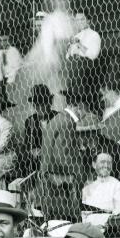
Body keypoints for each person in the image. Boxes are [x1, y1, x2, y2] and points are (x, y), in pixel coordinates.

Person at [34, 90, 93, 225]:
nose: (84, 115)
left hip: (52, 182)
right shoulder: (67, 122)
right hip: (61, 187)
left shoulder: (56, 120)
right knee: (65, 224)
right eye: (85, 110)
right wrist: (80, 174)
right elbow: (63, 156)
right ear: (78, 106)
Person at [9, 84, 54, 187]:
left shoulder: (58, 117)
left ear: (49, 103)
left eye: (42, 103)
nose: (39, 108)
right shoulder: (30, 121)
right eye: (36, 105)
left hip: (54, 157)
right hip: (37, 159)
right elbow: (30, 145)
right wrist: (33, 150)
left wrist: (44, 151)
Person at [81, 152, 120, 228]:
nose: (106, 166)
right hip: (89, 229)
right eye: (102, 162)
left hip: (109, 228)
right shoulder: (87, 189)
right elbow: (83, 215)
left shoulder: (117, 185)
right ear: (94, 165)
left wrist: (104, 225)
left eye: (109, 163)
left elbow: (119, 212)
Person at [0, 34, 22, 101]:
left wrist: (10, 81)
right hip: (3, 79)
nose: (3, 43)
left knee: (10, 96)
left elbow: (17, 67)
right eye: (0, 41)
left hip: (13, 79)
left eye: (5, 40)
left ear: (9, 41)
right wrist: (0, 81)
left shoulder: (14, 51)